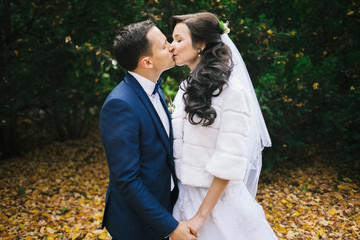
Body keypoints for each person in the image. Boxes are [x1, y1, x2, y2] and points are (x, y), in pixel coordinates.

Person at [170, 12, 278, 239]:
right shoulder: (184, 89)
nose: (172, 46)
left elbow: (229, 159)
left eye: (179, 40)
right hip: (183, 198)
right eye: (172, 40)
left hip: (217, 206)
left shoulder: (232, 92)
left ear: (200, 44)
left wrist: (201, 216)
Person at [99, 19, 198, 240]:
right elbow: (127, 180)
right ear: (147, 62)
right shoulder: (120, 105)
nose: (172, 46)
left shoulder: (154, 89)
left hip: (166, 205)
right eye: (164, 45)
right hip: (137, 225)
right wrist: (170, 226)